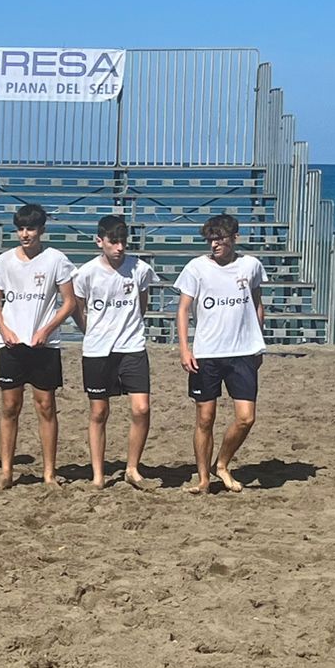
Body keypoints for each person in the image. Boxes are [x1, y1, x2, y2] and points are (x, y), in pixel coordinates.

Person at [0, 202, 78, 490]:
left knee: (46, 406)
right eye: (21, 229)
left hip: (44, 345)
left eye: (31, 229)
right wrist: (4, 329)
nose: (25, 234)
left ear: (41, 230)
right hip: (11, 344)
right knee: (10, 406)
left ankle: (49, 473)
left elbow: (69, 302)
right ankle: (6, 472)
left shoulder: (56, 260)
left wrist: (47, 329)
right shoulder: (3, 261)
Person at [176, 212, 266, 494]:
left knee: (246, 417)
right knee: (205, 418)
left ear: (234, 238)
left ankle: (222, 464)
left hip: (243, 352)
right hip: (207, 353)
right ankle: (203, 478)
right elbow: (183, 309)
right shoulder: (196, 268)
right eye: (210, 240)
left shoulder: (250, 266)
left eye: (219, 239)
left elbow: (257, 304)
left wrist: (259, 342)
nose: (214, 244)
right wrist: (184, 348)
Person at [73, 214, 159, 489]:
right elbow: (78, 308)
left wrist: (129, 326)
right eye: (113, 242)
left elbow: (142, 304)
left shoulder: (140, 269)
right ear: (100, 241)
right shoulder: (85, 273)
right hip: (98, 350)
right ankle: (98, 475)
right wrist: (92, 331)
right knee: (99, 412)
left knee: (141, 409)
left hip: (132, 347)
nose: (119, 247)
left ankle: (132, 468)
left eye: (123, 242)